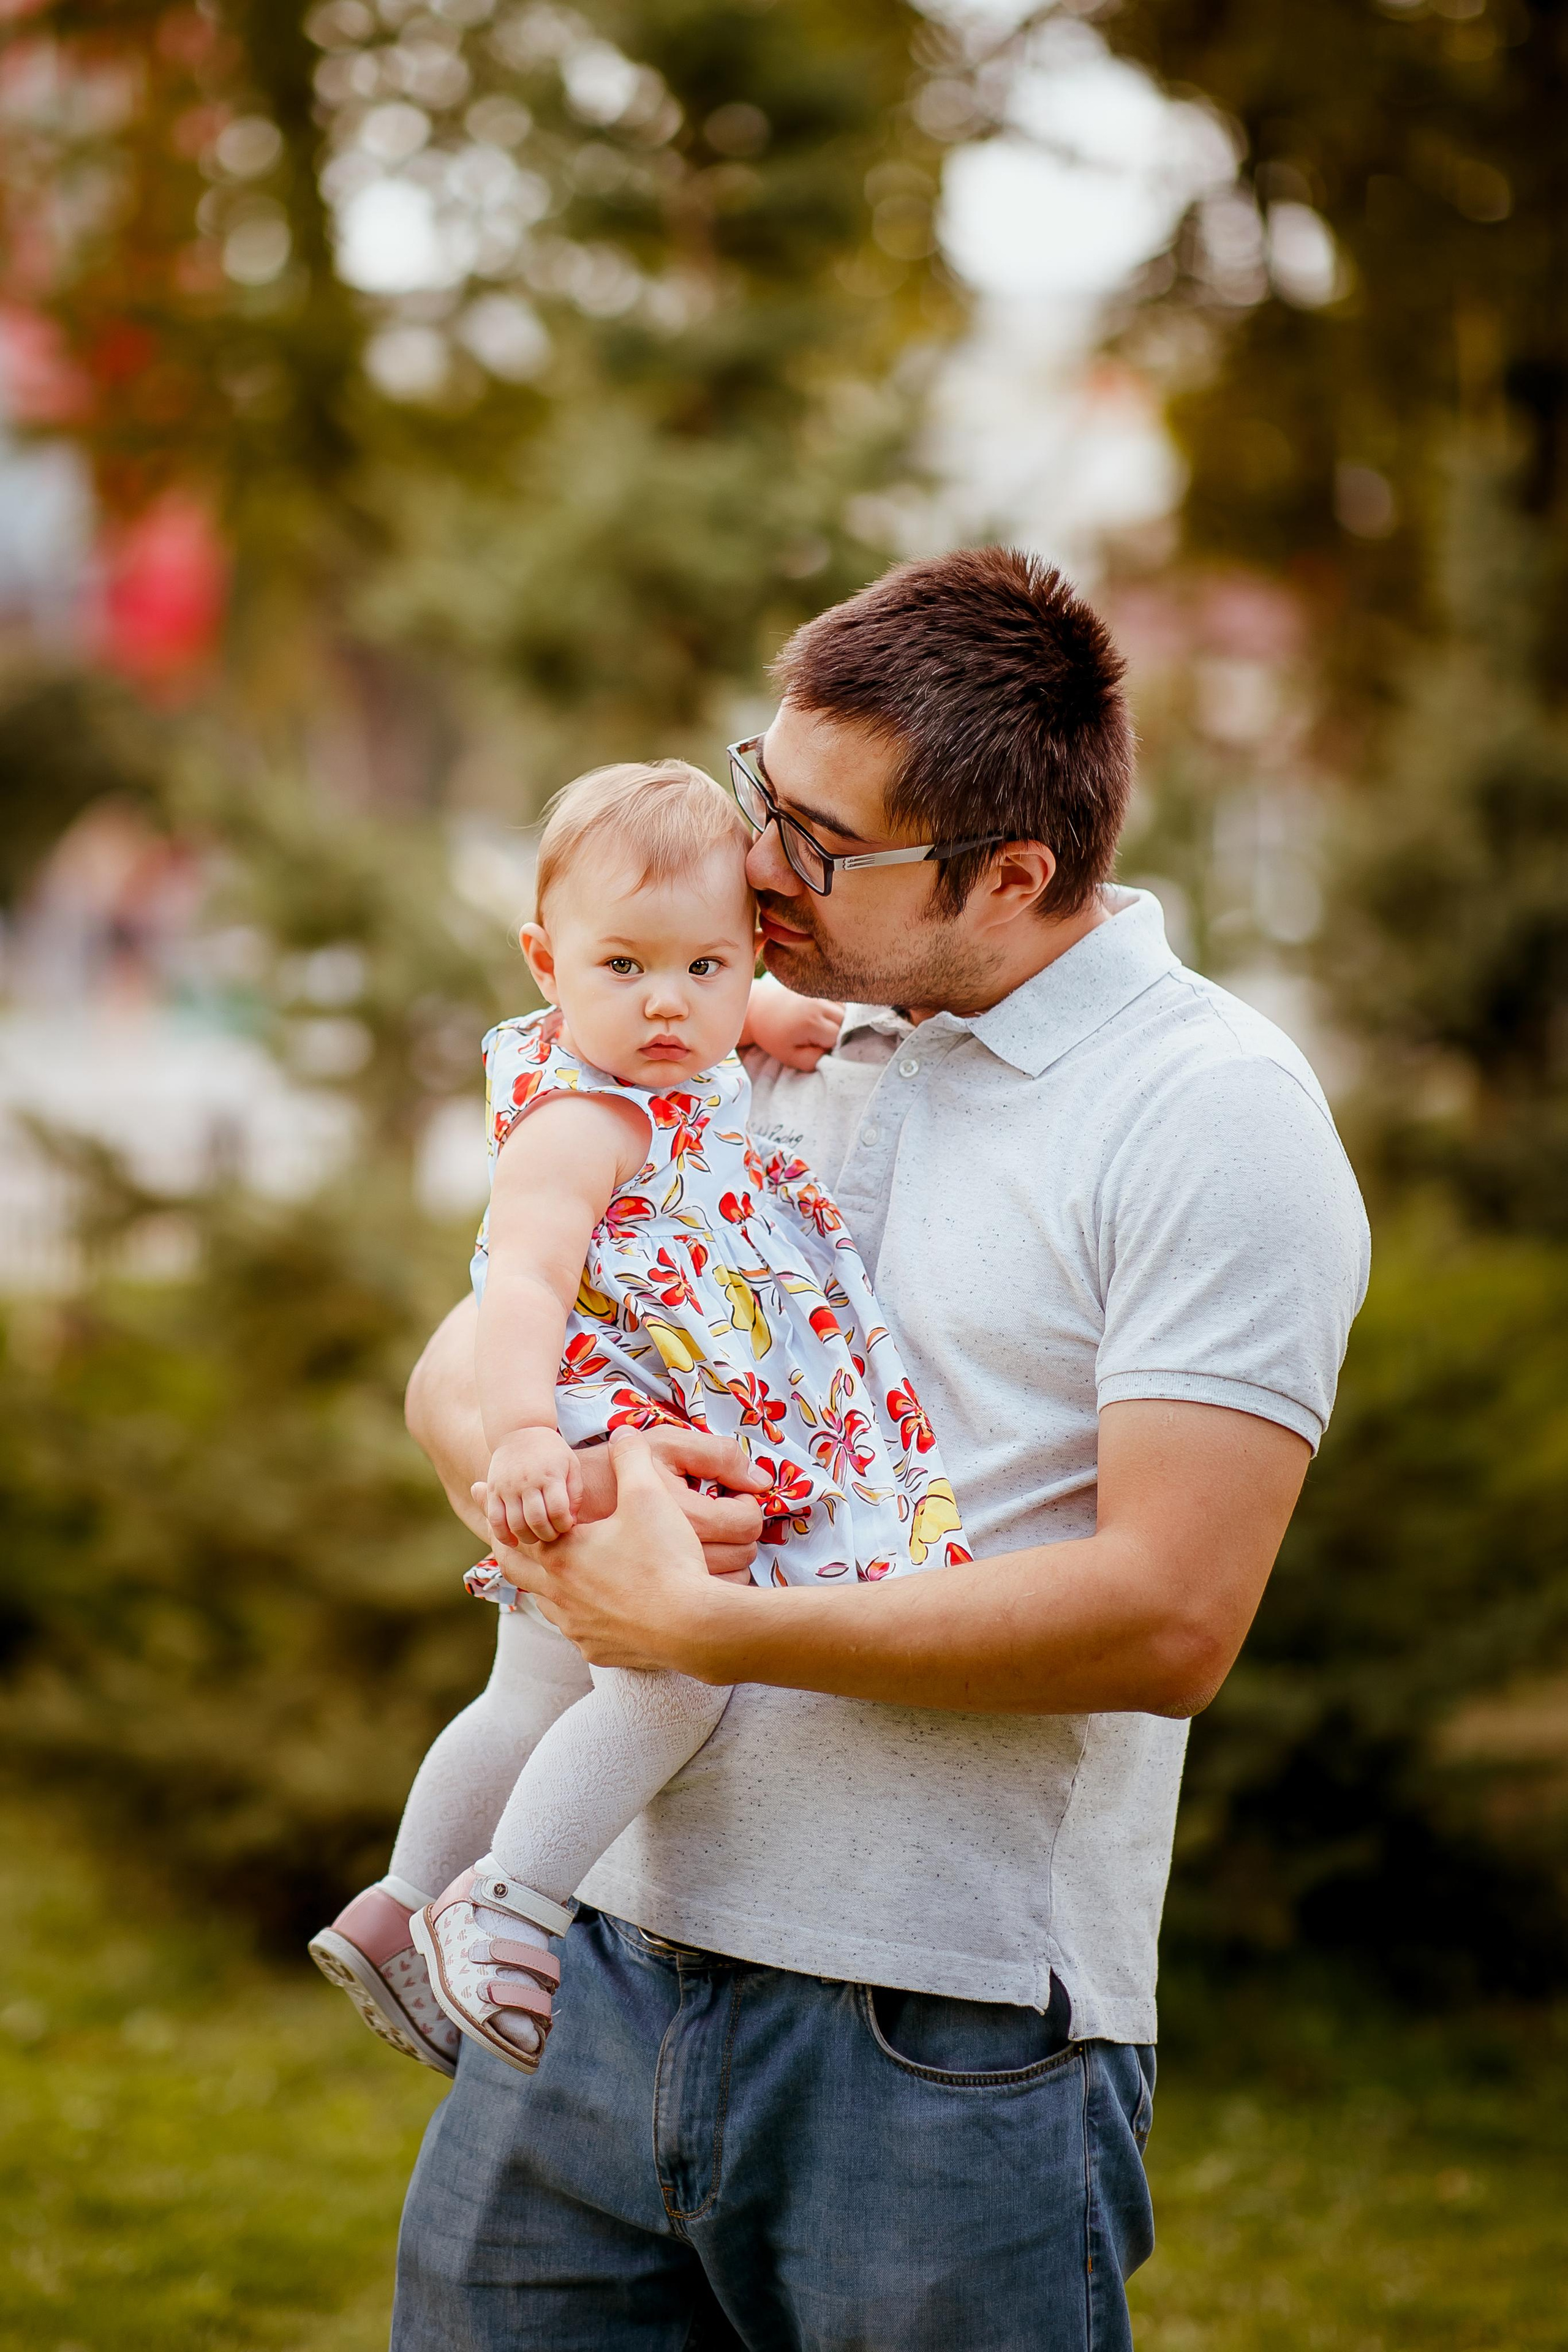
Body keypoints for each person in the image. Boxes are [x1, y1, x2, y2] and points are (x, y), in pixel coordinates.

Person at [391, 547, 1371, 2352]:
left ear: (1013, 875)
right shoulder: (727, 1019)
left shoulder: (1211, 1118)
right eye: (767, 788)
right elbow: (472, 1347)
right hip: (583, 1951)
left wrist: (708, 1633)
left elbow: (1171, 1618)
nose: (758, 864)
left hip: (940, 2041)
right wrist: (543, 1477)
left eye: (821, 842)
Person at [309, 760, 964, 2078]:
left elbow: (710, 1002)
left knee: (531, 1688)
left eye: (705, 969)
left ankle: (393, 1910)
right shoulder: (578, 1120)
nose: (667, 1003)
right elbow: (525, 1285)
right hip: (599, 1433)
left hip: (633, 1418)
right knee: (672, 1688)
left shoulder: (674, 1052)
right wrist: (526, 1444)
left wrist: (763, 1016)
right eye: (624, 967)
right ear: (545, 960)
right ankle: (510, 1900)